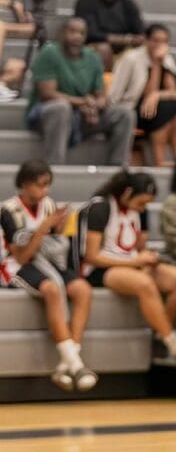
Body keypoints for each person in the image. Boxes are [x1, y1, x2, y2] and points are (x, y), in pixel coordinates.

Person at [79, 170, 176, 361]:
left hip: (130, 262)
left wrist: (146, 257)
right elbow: (91, 256)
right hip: (100, 269)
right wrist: (134, 262)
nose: (143, 208)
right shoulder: (100, 208)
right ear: (127, 194)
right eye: (141, 202)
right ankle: (174, 342)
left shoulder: (140, 213)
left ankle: (159, 336)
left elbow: (137, 247)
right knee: (144, 284)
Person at [0, 159, 97, 392]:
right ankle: (76, 363)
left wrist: (62, 226)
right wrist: (43, 228)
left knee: (82, 290)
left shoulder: (50, 205)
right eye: (40, 185)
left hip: (49, 262)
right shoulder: (8, 211)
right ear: (25, 184)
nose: (45, 191)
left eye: (47, 185)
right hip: (16, 265)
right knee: (51, 289)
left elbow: (58, 243)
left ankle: (66, 363)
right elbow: (22, 257)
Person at [26, 17, 134, 166]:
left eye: (82, 33)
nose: (77, 37)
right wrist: (82, 102)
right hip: (47, 112)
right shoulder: (49, 53)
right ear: (63, 33)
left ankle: (117, 169)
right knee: (61, 108)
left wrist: (96, 105)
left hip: (82, 114)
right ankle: (54, 167)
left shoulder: (93, 57)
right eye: (72, 32)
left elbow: (100, 94)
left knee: (124, 113)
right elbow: (48, 94)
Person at [108, 23, 176, 167]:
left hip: (153, 110)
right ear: (146, 40)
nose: (159, 45)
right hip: (130, 109)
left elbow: (173, 93)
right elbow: (117, 95)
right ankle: (160, 161)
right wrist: (156, 64)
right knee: (166, 109)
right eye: (156, 40)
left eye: (164, 41)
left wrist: (156, 95)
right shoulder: (131, 58)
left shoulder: (167, 58)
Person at [73, 0, 145, 69]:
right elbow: (89, 32)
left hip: (124, 47)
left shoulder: (128, 4)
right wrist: (119, 39)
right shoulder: (86, 2)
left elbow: (139, 30)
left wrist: (133, 40)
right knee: (103, 49)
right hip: (94, 45)